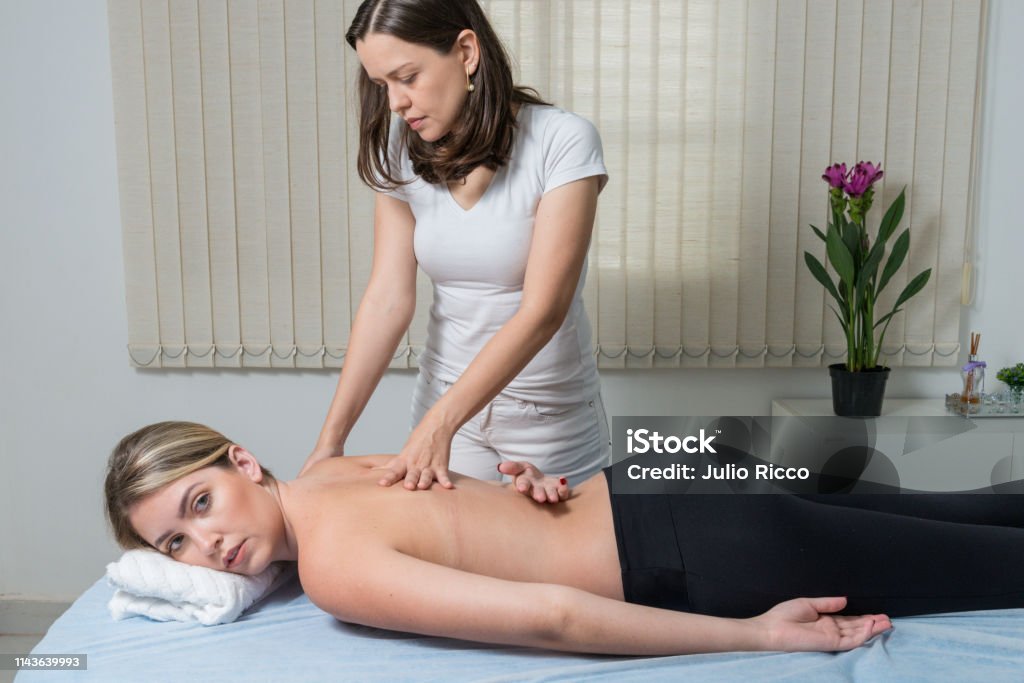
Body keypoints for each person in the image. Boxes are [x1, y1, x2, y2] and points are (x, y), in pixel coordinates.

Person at [107, 421, 1024, 656]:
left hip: (706, 545)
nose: (206, 545)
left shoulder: (340, 570)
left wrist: (757, 633)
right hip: (659, 467)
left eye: (197, 503)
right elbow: (483, 499)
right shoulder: (339, 469)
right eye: (175, 548)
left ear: (241, 461)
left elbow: (553, 616)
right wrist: (531, 480)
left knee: (997, 562)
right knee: (971, 512)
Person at [305, 0, 611, 489]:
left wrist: (438, 425)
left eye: (407, 77)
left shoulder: (562, 141)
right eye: (381, 85)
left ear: (466, 51)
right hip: (443, 405)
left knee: (555, 564)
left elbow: (542, 312)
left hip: (547, 418)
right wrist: (329, 443)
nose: (395, 104)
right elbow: (387, 299)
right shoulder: (399, 148)